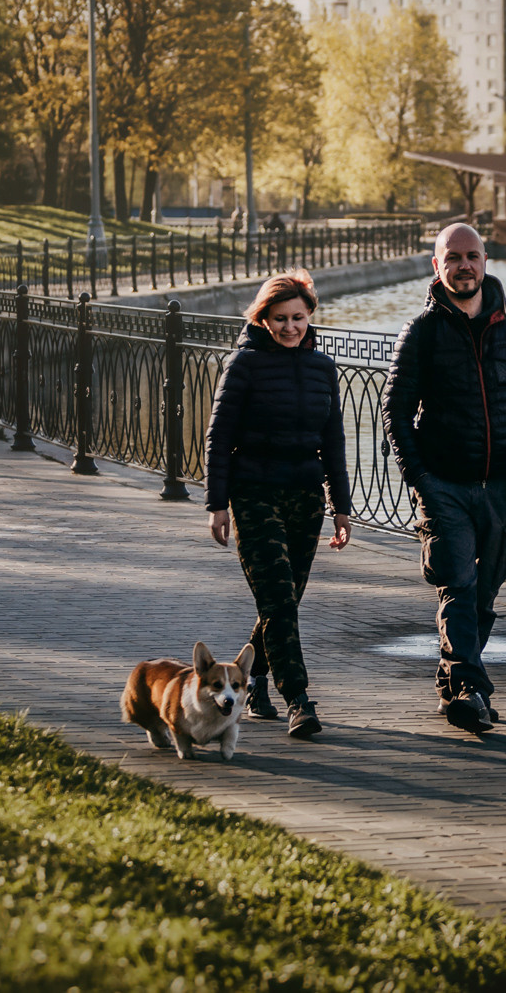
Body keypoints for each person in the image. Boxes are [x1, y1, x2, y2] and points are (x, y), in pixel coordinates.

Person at [384, 223, 506, 734]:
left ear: (486, 261)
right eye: (453, 257)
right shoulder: (420, 332)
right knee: (457, 582)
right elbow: (395, 412)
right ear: (436, 265)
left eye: (472, 256)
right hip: (442, 481)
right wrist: (417, 476)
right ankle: (471, 689)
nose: (463, 266)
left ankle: (453, 679)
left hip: (500, 482)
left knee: (486, 587)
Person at [204, 269, 352, 739]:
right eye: (280, 318)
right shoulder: (243, 365)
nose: (291, 327)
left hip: (305, 499)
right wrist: (218, 503)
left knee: (281, 603)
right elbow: (219, 436)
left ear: (310, 317)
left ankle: (254, 680)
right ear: (263, 319)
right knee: (280, 603)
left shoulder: (323, 368)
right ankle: (299, 701)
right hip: (254, 494)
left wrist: (341, 506)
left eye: (299, 318)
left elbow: (333, 442)